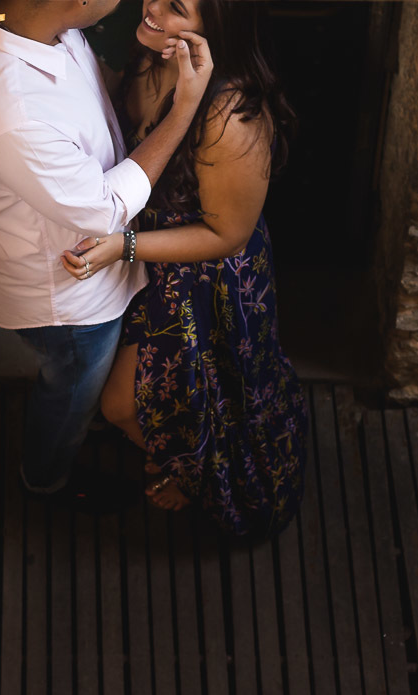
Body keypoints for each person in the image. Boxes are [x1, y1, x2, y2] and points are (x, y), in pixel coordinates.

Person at [0, 0, 213, 511]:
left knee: (79, 389)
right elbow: (105, 208)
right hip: (67, 299)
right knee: (70, 394)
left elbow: (77, 93)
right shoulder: (15, 117)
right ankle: (45, 481)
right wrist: (183, 109)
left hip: (62, 258)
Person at [61, 0, 306, 538]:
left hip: (204, 279)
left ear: (213, 29)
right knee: (157, 402)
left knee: (135, 403)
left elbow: (228, 234)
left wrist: (124, 247)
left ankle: (201, 476)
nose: (151, 6)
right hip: (141, 249)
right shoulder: (151, 49)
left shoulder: (231, 115)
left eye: (176, 8)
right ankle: (174, 455)